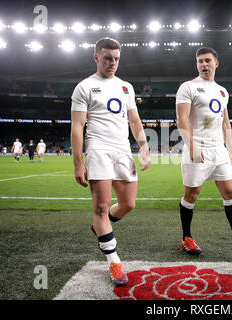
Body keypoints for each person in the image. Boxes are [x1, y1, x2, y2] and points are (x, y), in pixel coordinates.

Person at [70, 38, 151, 286]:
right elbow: (77, 127)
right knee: (102, 208)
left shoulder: (126, 87)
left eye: (116, 58)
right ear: (96, 57)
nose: (112, 63)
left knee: (128, 204)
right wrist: (78, 162)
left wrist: (144, 145)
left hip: (122, 150)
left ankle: (100, 228)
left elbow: (134, 121)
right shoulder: (84, 87)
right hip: (98, 150)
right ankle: (114, 262)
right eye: (107, 58)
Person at [175, 47, 232, 258]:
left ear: (216, 63)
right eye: (200, 61)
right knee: (191, 194)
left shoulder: (223, 91)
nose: (203, 65)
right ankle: (186, 237)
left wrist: (231, 151)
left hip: (219, 151)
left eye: (207, 61)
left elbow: (226, 123)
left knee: (230, 193)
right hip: (197, 148)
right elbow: (182, 121)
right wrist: (193, 147)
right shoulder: (188, 87)